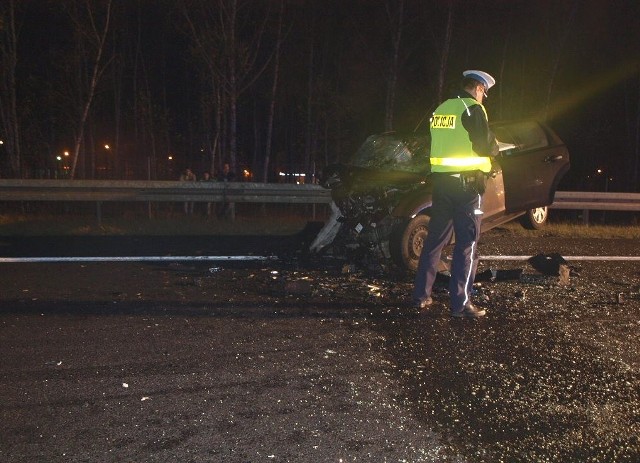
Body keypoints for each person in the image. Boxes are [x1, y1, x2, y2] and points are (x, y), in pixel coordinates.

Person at [412, 70, 499, 318]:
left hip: (441, 184)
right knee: (467, 245)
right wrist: (496, 148)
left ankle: (421, 296)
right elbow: (484, 144)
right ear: (480, 89)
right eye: (484, 94)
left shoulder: (442, 109)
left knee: (434, 241)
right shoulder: (472, 108)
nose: (483, 99)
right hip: (466, 186)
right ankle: (461, 304)